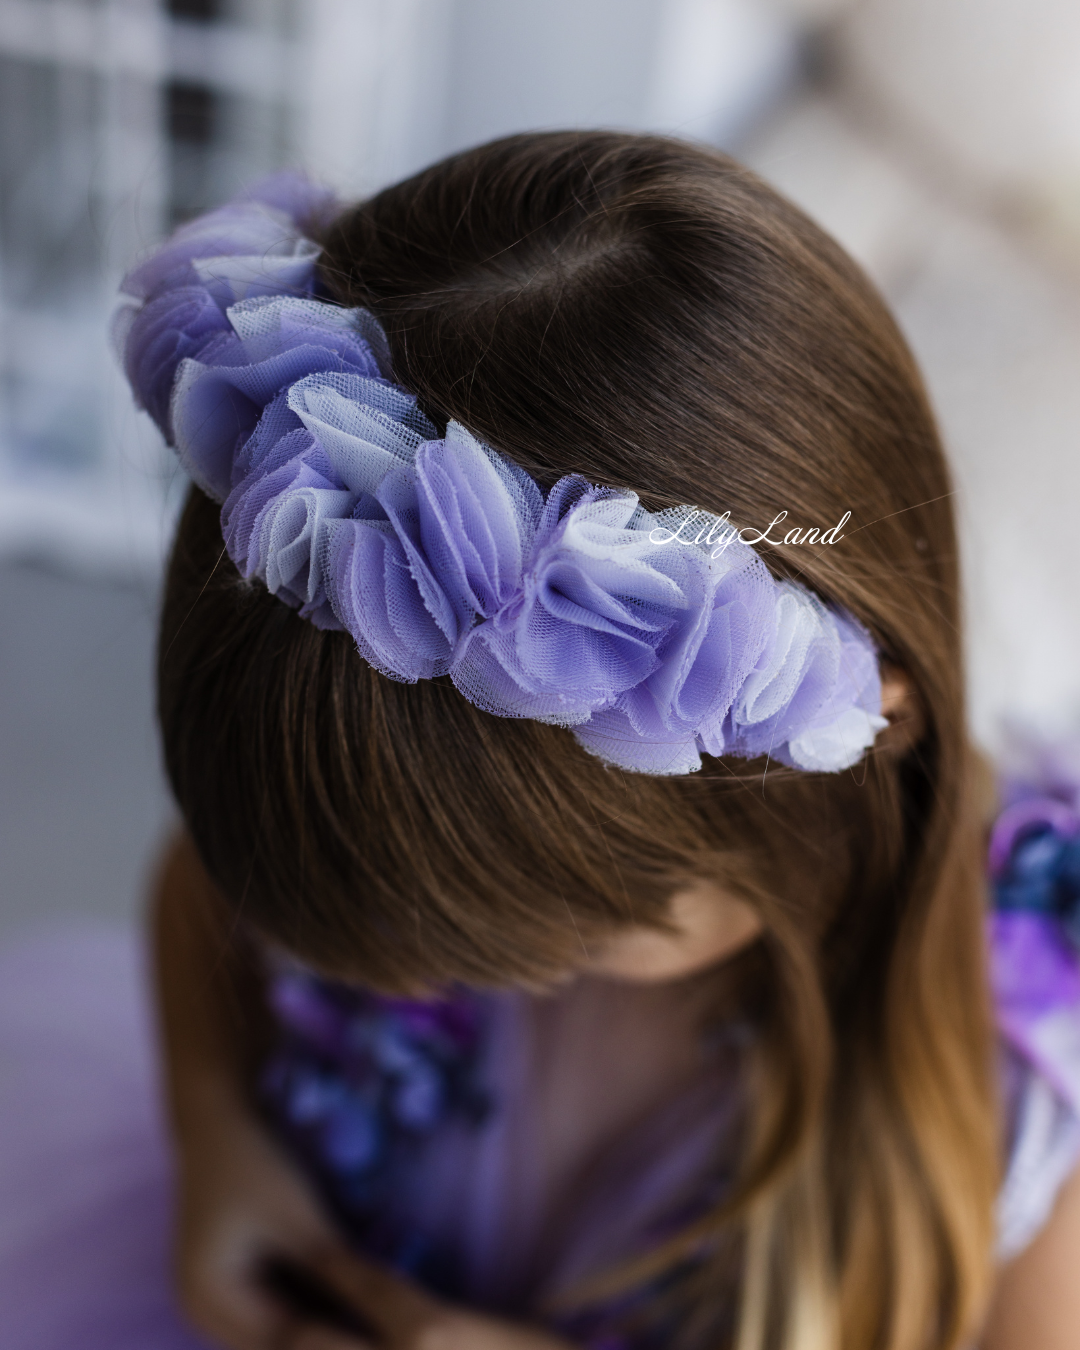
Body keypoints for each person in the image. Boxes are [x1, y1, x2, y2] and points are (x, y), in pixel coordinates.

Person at [3, 131, 1079, 1350]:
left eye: (536, 952)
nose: (394, 983)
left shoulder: (1027, 1100)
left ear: (821, 771)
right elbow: (204, 903)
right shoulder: (385, 819)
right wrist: (217, 1135)